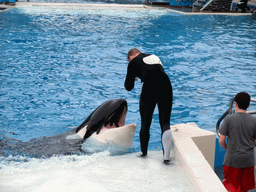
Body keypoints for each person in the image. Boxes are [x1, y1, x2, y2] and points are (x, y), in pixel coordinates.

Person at [124, 48, 173, 163]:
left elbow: (128, 86)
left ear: (132, 56)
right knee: (165, 123)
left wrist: (134, 76)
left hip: (149, 87)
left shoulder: (132, 62)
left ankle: (144, 153)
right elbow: (158, 72)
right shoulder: (154, 56)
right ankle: (166, 158)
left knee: (146, 123)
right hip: (166, 85)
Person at [219, 92, 256, 192]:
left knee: (231, 188)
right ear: (248, 105)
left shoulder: (228, 119)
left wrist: (228, 149)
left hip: (232, 160)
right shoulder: (254, 121)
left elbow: (221, 140)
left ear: (235, 103)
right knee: (245, 188)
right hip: (248, 160)